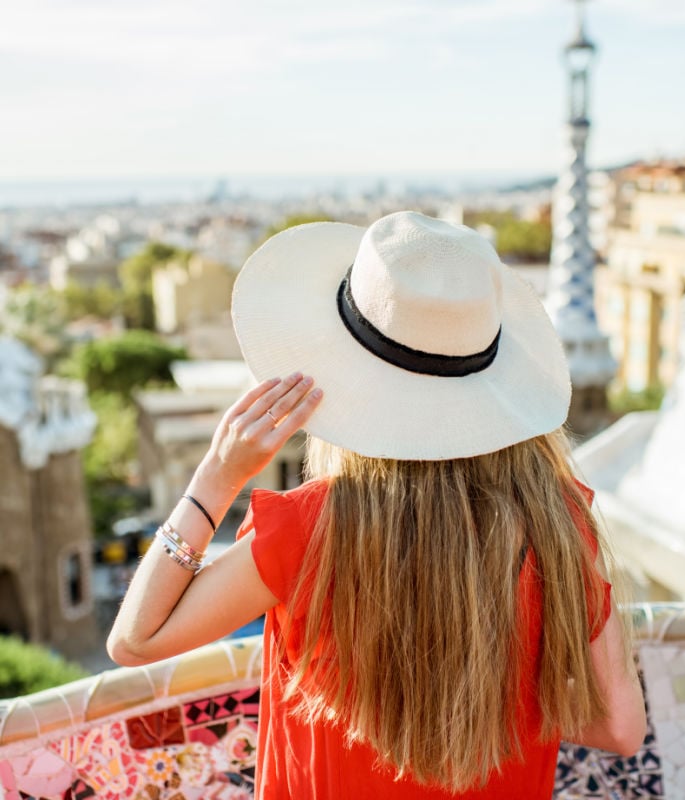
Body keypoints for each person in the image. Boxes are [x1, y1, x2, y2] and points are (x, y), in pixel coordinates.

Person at [108, 211, 646, 799]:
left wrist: (216, 477)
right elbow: (621, 729)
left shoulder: (310, 530)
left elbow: (136, 642)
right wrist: (504, 709)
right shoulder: (559, 521)